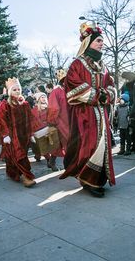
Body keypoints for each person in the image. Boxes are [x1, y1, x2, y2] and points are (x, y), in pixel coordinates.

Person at [59, 21, 116, 197]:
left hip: (101, 114)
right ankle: (87, 178)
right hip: (85, 114)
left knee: (103, 144)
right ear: (88, 42)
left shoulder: (104, 65)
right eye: (98, 40)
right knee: (89, 145)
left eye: (102, 41)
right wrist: (98, 95)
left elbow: (111, 86)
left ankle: (96, 179)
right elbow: (73, 88)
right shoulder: (77, 64)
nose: (101, 43)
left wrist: (108, 94)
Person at [0, 78, 37, 188]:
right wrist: (5, 134)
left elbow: (30, 119)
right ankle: (26, 176)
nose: (17, 91)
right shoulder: (5, 104)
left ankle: (13, 173)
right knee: (20, 154)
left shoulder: (24, 104)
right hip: (12, 134)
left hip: (23, 134)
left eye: (19, 89)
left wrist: (32, 133)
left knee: (16, 155)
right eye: (14, 89)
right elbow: (1, 119)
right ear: (10, 91)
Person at [47, 68, 70, 167]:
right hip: (60, 122)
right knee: (63, 143)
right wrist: (52, 122)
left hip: (70, 121)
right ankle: (68, 165)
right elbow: (53, 108)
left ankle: (53, 162)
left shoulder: (71, 90)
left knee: (64, 143)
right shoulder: (56, 91)